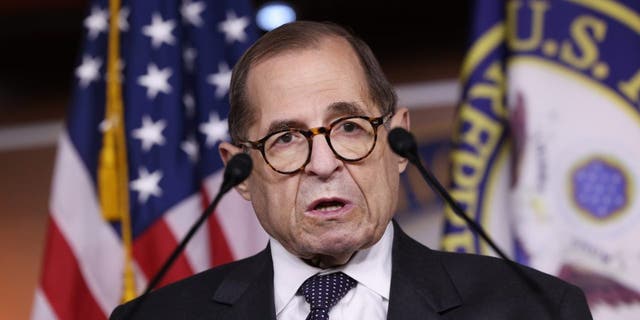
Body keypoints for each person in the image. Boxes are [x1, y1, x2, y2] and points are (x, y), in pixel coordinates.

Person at [111, 21, 592, 319]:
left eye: (349, 127)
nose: (324, 164)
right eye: (285, 138)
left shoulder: (534, 310)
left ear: (398, 141)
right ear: (240, 170)